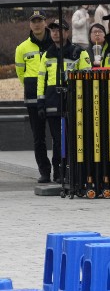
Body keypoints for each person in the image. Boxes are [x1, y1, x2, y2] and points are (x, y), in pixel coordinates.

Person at [36, 20, 91, 183]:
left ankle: (73, 171)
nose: (54, 33)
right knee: (58, 139)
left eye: (59, 30)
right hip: (53, 102)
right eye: (52, 30)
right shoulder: (47, 54)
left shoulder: (79, 53)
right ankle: (59, 172)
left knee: (73, 138)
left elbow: (87, 79)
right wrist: (41, 103)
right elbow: (41, 80)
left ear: (67, 33)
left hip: (74, 101)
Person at [15, 10, 53, 184]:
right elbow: (20, 73)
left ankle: (60, 171)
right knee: (39, 138)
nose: (37, 24)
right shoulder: (22, 48)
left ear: (45, 22)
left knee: (58, 136)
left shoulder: (55, 44)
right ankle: (44, 172)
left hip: (53, 96)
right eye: (33, 21)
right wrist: (33, 87)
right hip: (32, 99)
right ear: (30, 24)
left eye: (40, 20)